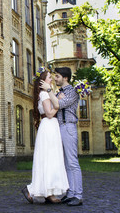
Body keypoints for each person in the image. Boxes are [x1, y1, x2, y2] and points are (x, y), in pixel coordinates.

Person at [22, 67, 69, 204]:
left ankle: (49, 192)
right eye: (49, 77)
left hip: (50, 127)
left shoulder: (47, 94)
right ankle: (33, 190)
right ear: (43, 82)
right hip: (48, 125)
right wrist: (58, 104)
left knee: (51, 160)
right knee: (49, 159)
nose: (52, 79)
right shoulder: (44, 94)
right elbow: (49, 113)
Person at [40, 67, 83, 206]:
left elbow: (58, 104)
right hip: (60, 128)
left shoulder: (72, 91)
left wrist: (49, 91)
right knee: (66, 164)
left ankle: (78, 195)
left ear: (65, 78)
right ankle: (70, 193)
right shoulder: (59, 92)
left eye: (57, 76)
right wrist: (53, 95)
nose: (55, 79)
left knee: (72, 163)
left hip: (68, 127)